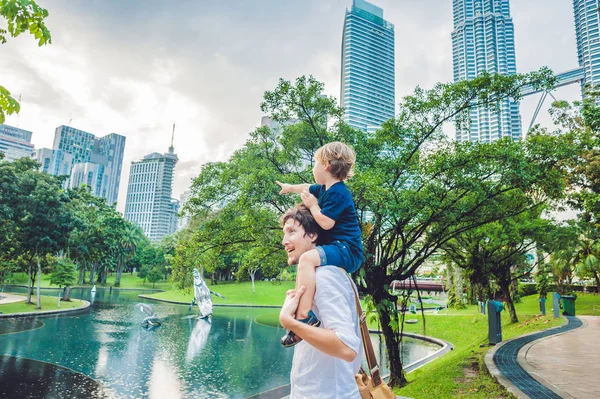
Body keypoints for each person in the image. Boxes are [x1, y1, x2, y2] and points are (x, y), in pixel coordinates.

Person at [276, 141, 364, 347]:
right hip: (338, 247)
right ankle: (301, 305)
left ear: (326, 165)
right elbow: (306, 187)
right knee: (307, 264)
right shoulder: (324, 189)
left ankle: (304, 316)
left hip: (347, 249)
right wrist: (289, 188)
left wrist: (314, 206)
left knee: (307, 259)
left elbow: (326, 222)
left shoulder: (339, 192)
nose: (312, 168)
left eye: (314, 163)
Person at [279, 204, 362, 398]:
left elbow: (347, 348)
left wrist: (288, 321)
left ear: (313, 235)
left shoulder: (325, 276)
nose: (284, 241)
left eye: (292, 231)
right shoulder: (317, 275)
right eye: (284, 234)